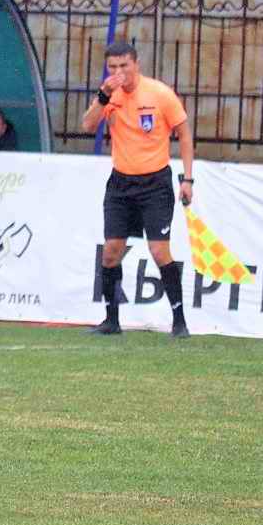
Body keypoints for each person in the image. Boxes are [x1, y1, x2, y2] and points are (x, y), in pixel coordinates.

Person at [80, 41, 194, 338]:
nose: (119, 72)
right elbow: (88, 125)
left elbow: (184, 134)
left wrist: (188, 179)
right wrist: (103, 96)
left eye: (124, 65)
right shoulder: (109, 95)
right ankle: (111, 320)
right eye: (113, 67)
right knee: (111, 252)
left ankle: (179, 321)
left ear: (136, 65)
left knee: (159, 250)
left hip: (155, 184)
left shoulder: (159, 94)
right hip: (120, 183)